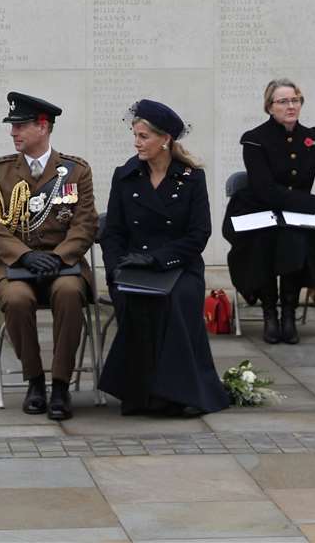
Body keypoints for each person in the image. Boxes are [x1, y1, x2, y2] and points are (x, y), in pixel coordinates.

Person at [98, 100, 229, 417]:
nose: (137, 143)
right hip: (131, 267)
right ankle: (140, 395)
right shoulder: (125, 176)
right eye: (135, 135)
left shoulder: (190, 178)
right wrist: (116, 269)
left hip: (178, 267)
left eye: (143, 136)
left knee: (176, 298)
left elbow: (198, 235)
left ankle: (176, 393)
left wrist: (158, 260)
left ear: (165, 139)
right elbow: (113, 232)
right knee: (136, 299)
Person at [0, 91, 96, 420]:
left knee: (71, 293)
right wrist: (25, 256)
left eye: (21, 126)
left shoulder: (75, 172)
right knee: (15, 299)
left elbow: (84, 224)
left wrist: (59, 258)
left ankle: (60, 385)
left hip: (64, 266)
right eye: (13, 126)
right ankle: (34, 381)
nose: (13, 133)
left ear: (43, 127)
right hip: (15, 267)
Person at [223, 78, 315, 344]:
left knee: (297, 240)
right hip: (259, 208)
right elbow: (264, 189)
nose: (290, 106)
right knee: (265, 241)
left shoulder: (312, 137)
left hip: (298, 214)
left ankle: (289, 315)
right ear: (270, 107)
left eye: (295, 100)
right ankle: (270, 313)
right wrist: (312, 204)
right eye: (283, 101)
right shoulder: (254, 140)